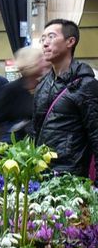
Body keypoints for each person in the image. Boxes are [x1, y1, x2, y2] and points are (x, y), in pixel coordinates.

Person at [33, 18, 98, 179]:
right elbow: (36, 131)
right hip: (42, 174)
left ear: (70, 41)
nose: (45, 43)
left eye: (51, 37)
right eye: (43, 38)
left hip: (71, 177)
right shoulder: (42, 85)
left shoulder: (86, 85)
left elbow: (96, 135)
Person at [0, 47, 47, 143]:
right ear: (32, 63)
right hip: (16, 149)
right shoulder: (11, 90)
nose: (44, 62)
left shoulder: (44, 87)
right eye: (40, 59)